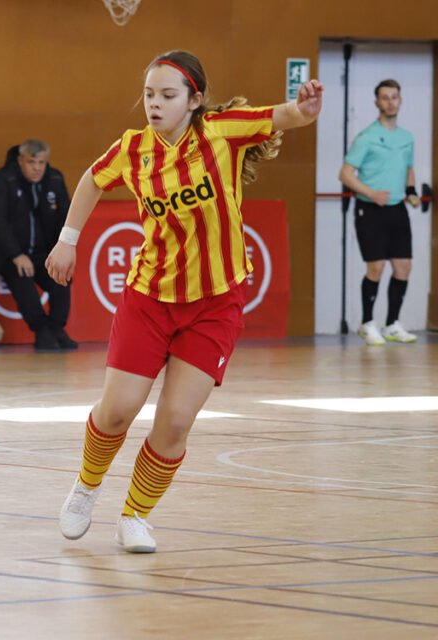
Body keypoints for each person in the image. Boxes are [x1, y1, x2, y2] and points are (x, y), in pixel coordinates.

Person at [46, 50, 323, 553]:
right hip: (150, 298)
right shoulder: (132, 149)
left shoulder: (222, 132)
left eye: (168, 95)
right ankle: (86, 487)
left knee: (174, 422)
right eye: (149, 94)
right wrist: (68, 239)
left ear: (194, 101)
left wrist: (302, 109)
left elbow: (283, 115)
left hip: (215, 304)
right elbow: (91, 179)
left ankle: (134, 516)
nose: (155, 103)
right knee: (117, 410)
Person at [338, 79, 420, 346]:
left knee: (403, 267)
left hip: (397, 209)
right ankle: (367, 323)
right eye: (385, 97)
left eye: (394, 97)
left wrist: (411, 191)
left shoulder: (407, 138)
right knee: (376, 267)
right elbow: (345, 174)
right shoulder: (367, 137)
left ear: (400, 100)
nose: (390, 102)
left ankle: (392, 323)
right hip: (370, 209)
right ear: (377, 102)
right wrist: (371, 193)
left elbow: (408, 167)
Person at [0, 140, 74, 350]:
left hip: (42, 251)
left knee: (62, 276)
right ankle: (41, 330)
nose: (37, 168)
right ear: (20, 161)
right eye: (31, 162)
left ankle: (56, 328)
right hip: (7, 253)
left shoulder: (55, 179)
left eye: (41, 163)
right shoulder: (4, 180)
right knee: (22, 277)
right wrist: (16, 254)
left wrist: (61, 249)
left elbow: (65, 217)